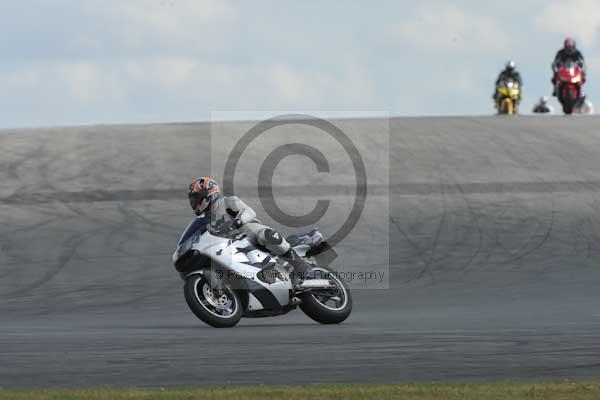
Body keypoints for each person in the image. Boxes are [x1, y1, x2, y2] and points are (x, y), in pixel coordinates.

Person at [187, 176, 313, 285]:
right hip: (233, 245)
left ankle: (301, 265)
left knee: (263, 234)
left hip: (249, 236)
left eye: (196, 198)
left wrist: (238, 221)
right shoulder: (205, 220)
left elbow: (249, 212)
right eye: (193, 200)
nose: (195, 202)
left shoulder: (227, 202)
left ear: (208, 193)